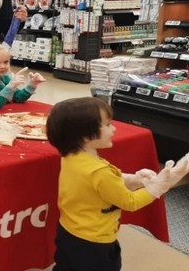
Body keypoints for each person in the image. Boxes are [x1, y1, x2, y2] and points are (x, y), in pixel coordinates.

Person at [46, 97, 189, 271]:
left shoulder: (73, 156)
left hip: (69, 231)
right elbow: (129, 202)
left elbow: (96, 184)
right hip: (95, 243)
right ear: (85, 136)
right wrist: (155, 188)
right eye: (107, 125)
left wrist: (134, 179)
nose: (114, 129)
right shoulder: (99, 171)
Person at [0, 42, 45, 109]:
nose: (2, 66)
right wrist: (10, 86)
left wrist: (32, 84)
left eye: (6, 62)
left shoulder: (4, 78)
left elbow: (18, 98)